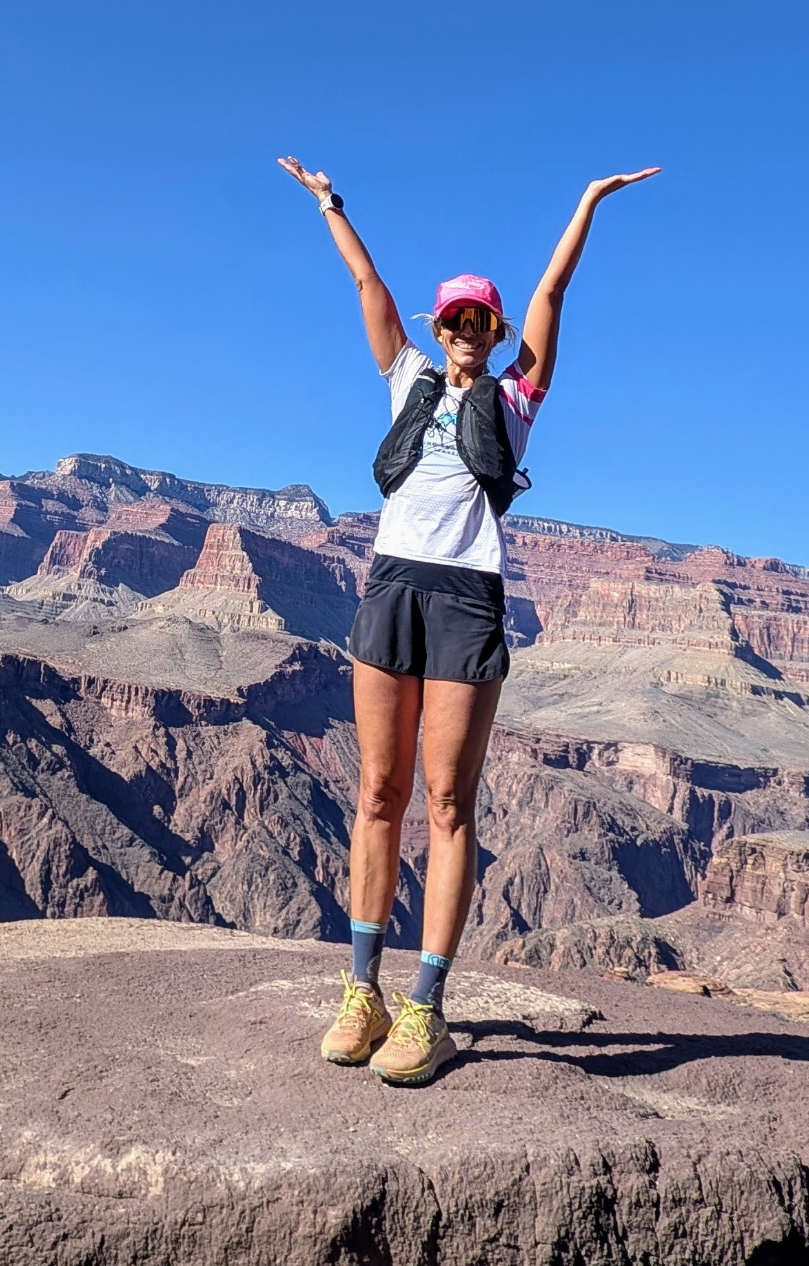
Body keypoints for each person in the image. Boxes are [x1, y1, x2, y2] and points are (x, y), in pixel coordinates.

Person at [276, 156, 659, 1084]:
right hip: (391, 586)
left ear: (492, 331)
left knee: (447, 802)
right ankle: (361, 991)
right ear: (436, 326)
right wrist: (331, 205)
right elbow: (366, 283)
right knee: (378, 792)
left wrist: (585, 204)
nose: (465, 332)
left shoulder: (518, 396)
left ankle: (426, 1008)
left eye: (479, 321)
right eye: (452, 319)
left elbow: (552, 290)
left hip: (464, 599)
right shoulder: (404, 373)